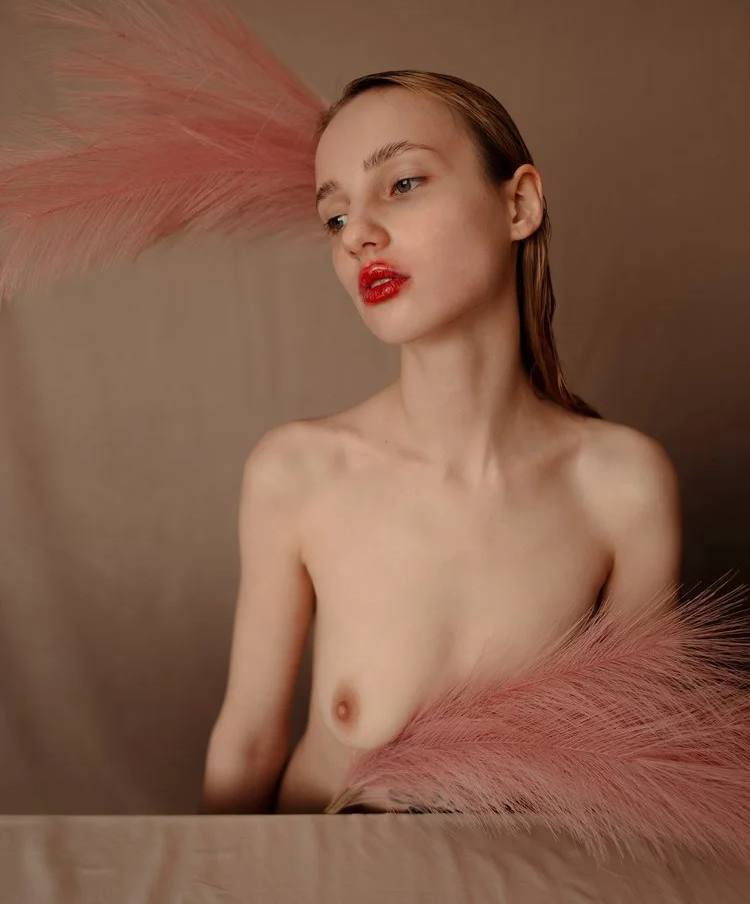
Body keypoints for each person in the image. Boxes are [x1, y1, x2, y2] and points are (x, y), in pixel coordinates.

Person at [198, 70, 682, 816]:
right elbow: (249, 742)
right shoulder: (297, 472)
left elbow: (648, 765)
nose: (357, 234)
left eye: (402, 184)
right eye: (334, 216)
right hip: (322, 869)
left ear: (518, 204)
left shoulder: (622, 485)